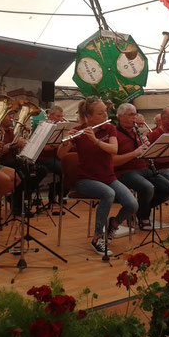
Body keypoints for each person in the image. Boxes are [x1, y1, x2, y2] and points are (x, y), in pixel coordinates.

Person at [57, 97, 138, 256]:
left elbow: (114, 149)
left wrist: (95, 140)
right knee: (108, 194)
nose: (105, 116)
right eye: (100, 113)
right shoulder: (80, 131)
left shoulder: (109, 129)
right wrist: (66, 143)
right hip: (85, 180)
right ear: (89, 116)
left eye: (105, 112)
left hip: (108, 177)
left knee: (132, 204)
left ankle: (113, 225)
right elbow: (61, 155)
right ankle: (97, 237)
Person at [113, 103, 169, 230]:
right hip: (125, 171)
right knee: (148, 188)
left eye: (135, 114)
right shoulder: (115, 134)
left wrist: (148, 149)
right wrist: (135, 153)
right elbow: (113, 161)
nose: (134, 118)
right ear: (120, 116)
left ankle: (138, 210)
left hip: (144, 169)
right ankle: (143, 217)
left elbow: (144, 155)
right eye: (131, 115)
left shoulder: (136, 132)